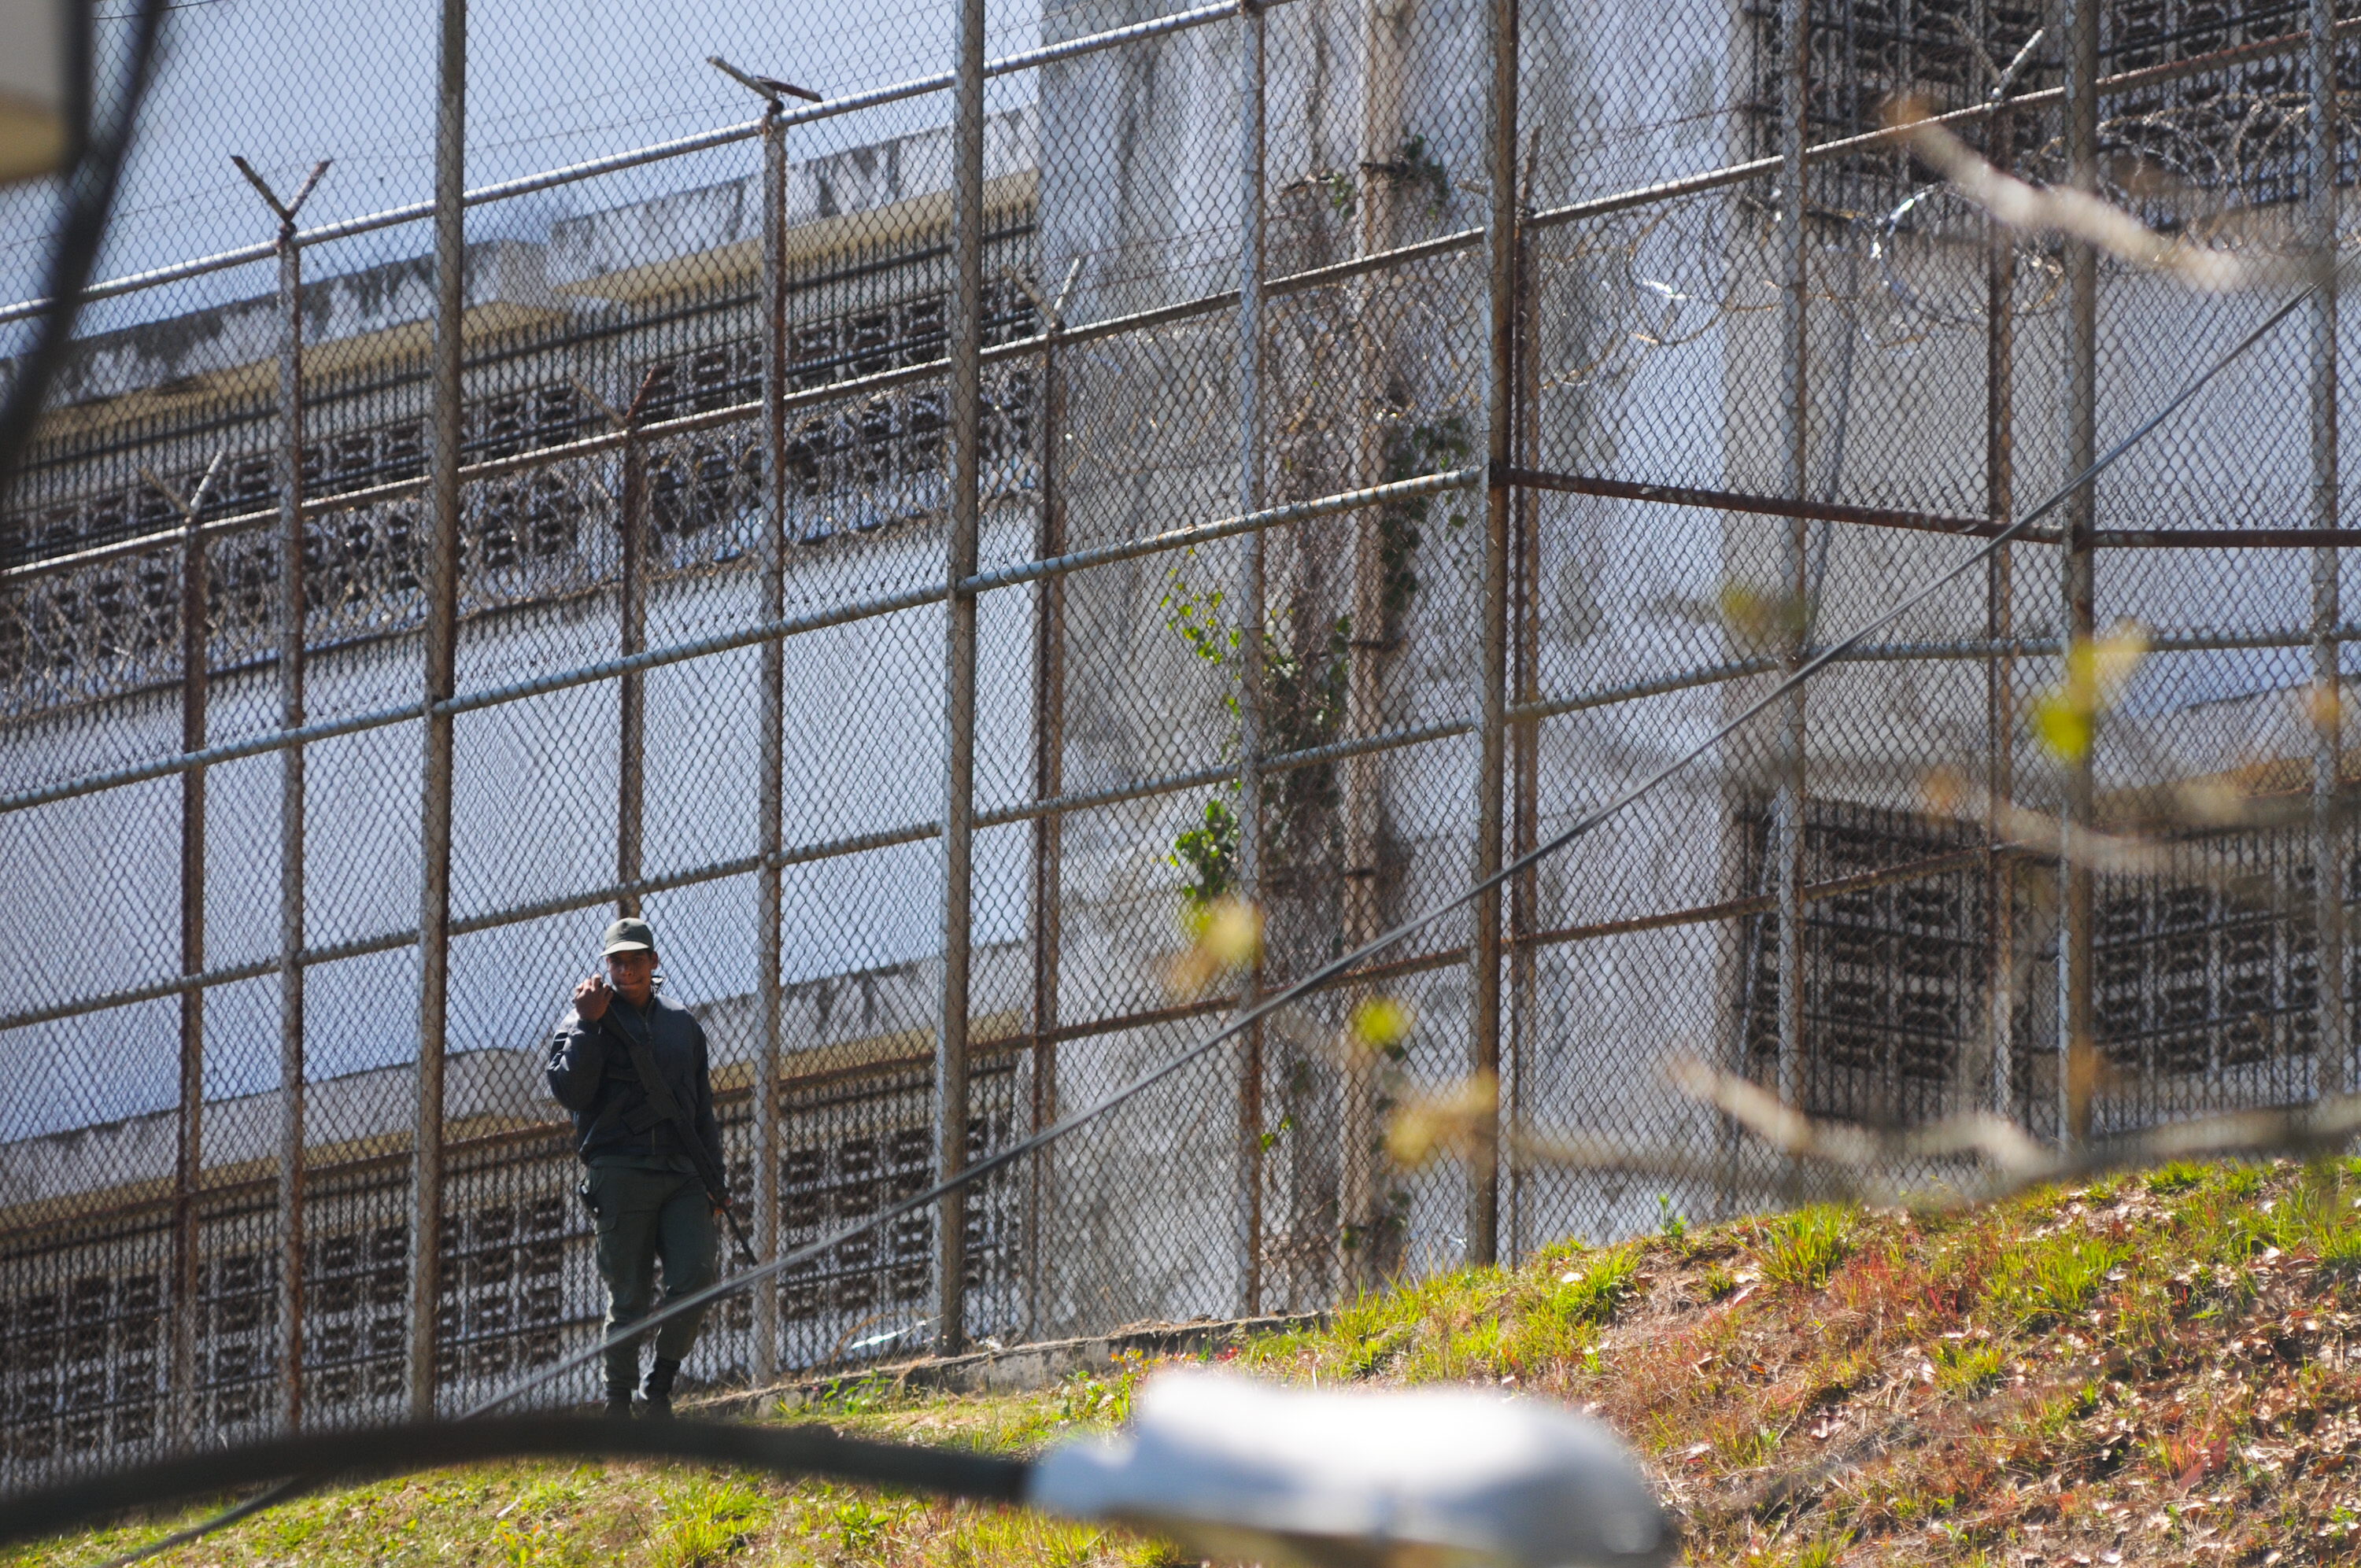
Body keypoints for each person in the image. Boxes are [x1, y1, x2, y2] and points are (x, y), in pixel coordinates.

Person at [545, 915, 724, 1420]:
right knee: (628, 1296)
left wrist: (717, 1181)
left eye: (636, 961)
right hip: (620, 1172)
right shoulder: (584, 1019)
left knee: (697, 1276)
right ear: (607, 966)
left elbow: (701, 1110)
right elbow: (570, 1092)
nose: (627, 971)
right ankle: (618, 1404)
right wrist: (586, 1023)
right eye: (618, 962)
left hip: (683, 1173)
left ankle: (660, 1384)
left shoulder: (681, 1024)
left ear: (653, 962)